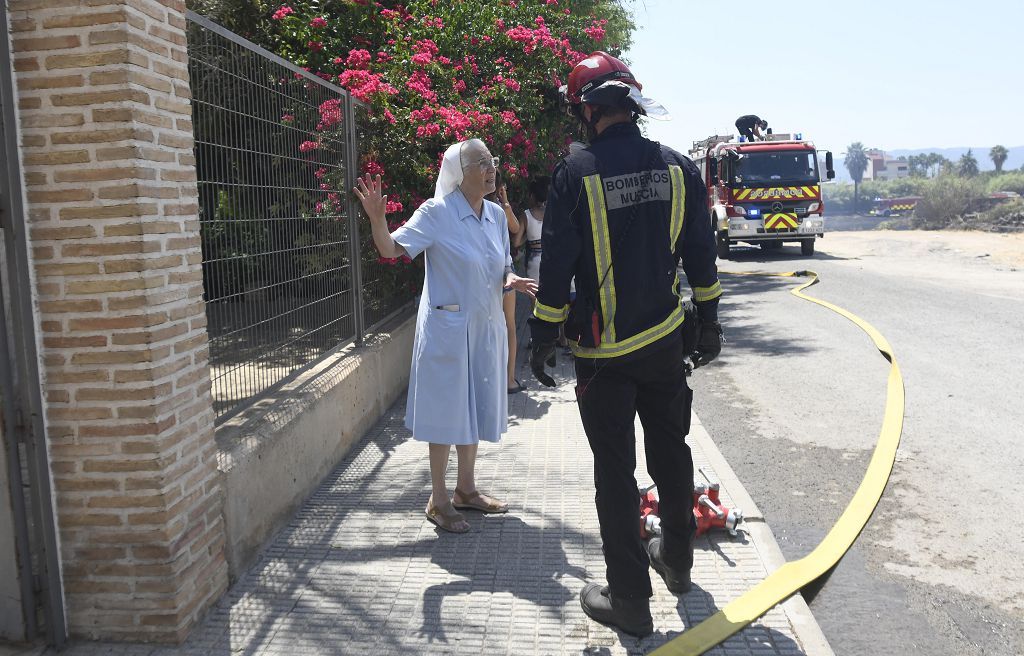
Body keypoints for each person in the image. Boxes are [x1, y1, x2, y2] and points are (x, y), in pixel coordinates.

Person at [528, 51, 724, 636]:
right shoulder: (678, 169)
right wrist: (709, 322)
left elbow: (557, 264)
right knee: (672, 453)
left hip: (602, 358)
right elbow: (701, 256)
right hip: (666, 344)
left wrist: (541, 337)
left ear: (587, 109)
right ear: (629, 100)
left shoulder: (574, 172)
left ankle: (631, 604)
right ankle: (679, 561)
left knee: (615, 474)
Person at [354, 138, 537, 534]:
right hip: (447, 333)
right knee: (448, 411)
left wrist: (511, 280)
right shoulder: (436, 213)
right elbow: (390, 249)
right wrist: (376, 219)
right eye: (480, 163)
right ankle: (438, 499)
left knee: (473, 406)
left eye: (492, 160)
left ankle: (465, 491)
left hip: (484, 329)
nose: (490, 168)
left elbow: (501, 266)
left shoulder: (492, 215)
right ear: (459, 173)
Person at [486, 172, 526, 393]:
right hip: (503, 271)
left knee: (505, 326)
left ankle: (506, 379)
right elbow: (516, 229)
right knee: (508, 326)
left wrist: (505, 202)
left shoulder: (484, 207)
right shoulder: (497, 208)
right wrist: (505, 200)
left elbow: (515, 229)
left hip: (497, 274)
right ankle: (509, 380)